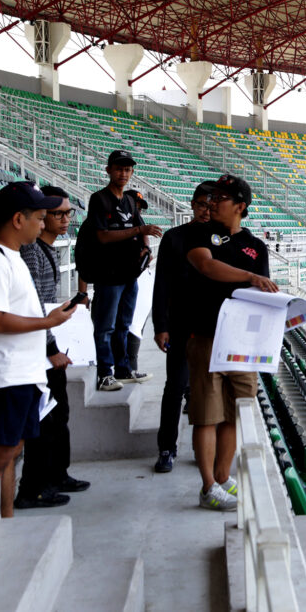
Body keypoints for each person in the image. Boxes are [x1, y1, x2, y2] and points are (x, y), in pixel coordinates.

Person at [0, 181, 75, 517]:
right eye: (40, 218)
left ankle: (4, 521)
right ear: (18, 219)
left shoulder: (13, 257)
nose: (42, 225)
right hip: (5, 375)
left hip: (24, 374)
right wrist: (49, 323)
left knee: (13, 450)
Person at [185, 174, 277, 510]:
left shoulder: (257, 246)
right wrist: (251, 276)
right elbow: (207, 267)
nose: (212, 202)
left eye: (221, 198)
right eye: (211, 197)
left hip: (243, 344)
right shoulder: (200, 234)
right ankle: (208, 486)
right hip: (207, 338)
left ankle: (223, 477)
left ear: (240, 206)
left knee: (234, 414)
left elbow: (263, 293)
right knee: (207, 415)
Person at [15, 186, 91, 509]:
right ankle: (36, 485)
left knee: (59, 415)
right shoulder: (31, 253)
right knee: (47, 419)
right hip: (40, 351)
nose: (64, 219)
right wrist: (51, 350)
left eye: (67, 213)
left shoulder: (47, 249)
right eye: (57, 213)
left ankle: (57, 474)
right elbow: (32, 308)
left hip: (48, 343)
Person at [151, 181, 216, 473]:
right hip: (179, 326)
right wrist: (160, 325)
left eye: (212, 206)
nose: (206, 211)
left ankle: (203, 449)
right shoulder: (174, 238)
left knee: (207, 391)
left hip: (213, 329)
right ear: (192, 204)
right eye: (202, 204)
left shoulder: (222, 240)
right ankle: (167, 448)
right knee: (175, 387)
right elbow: (161, 284)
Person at [84, 150, 161, 392]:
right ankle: (104, 373)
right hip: (109, 275)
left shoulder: (129, 201)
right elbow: (103, 236)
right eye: (119, 168)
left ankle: (123, 369)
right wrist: (139, 232)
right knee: (105, 326)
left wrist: (145, 250)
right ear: (108, 170)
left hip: (130, 274)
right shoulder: (99, 199)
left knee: (123, 325)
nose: (123, 173)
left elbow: (141, 228)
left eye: (128, 169)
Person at [123, 189, 153, 378]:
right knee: (124, 327)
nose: (137, 211)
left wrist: (147, 249)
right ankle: (121, 370)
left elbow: (146, 246)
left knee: (136, 326)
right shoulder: (119, 225)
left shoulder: (138, 223)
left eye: (140, 208)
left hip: (139, 282)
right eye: (134, 206)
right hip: (120, 281)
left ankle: (131, 368)